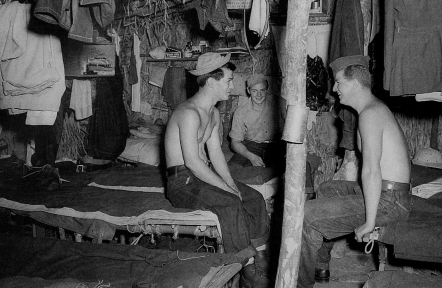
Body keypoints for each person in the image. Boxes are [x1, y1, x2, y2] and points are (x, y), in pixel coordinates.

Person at [298, 55, 412, 288]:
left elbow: (371, 171)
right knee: (327, 189)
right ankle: (320, 264)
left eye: (339, 82)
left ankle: (300, 284)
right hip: (389, 194)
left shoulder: (371, 114)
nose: (334, 89)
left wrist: (370, 222)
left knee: (306, 216)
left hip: (389, 202)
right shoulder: (371, 109)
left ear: (355, 83)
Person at [164, 52, 270, 288]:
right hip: (182, 183)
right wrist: (226, 190)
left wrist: (231, 184)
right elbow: (192, 162)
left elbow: (216, 155)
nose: (232, 86)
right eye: (229, 81)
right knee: (230, 203)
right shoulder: (188, 113)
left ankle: (261, 256)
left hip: (201, 177)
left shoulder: (212, 113)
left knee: (254, 198)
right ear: (212, 82)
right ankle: (246, 266)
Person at [229, 74, 284, 169]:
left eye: (262, 90)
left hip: (276, 147)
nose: (259, 95)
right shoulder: (241, 112)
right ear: (248, 90)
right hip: (252, 147)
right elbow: (235, 143)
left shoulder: (279, 103)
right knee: (232, 168)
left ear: (267, 90)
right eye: (254, 91)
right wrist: (251, 157)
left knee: (294, 169)